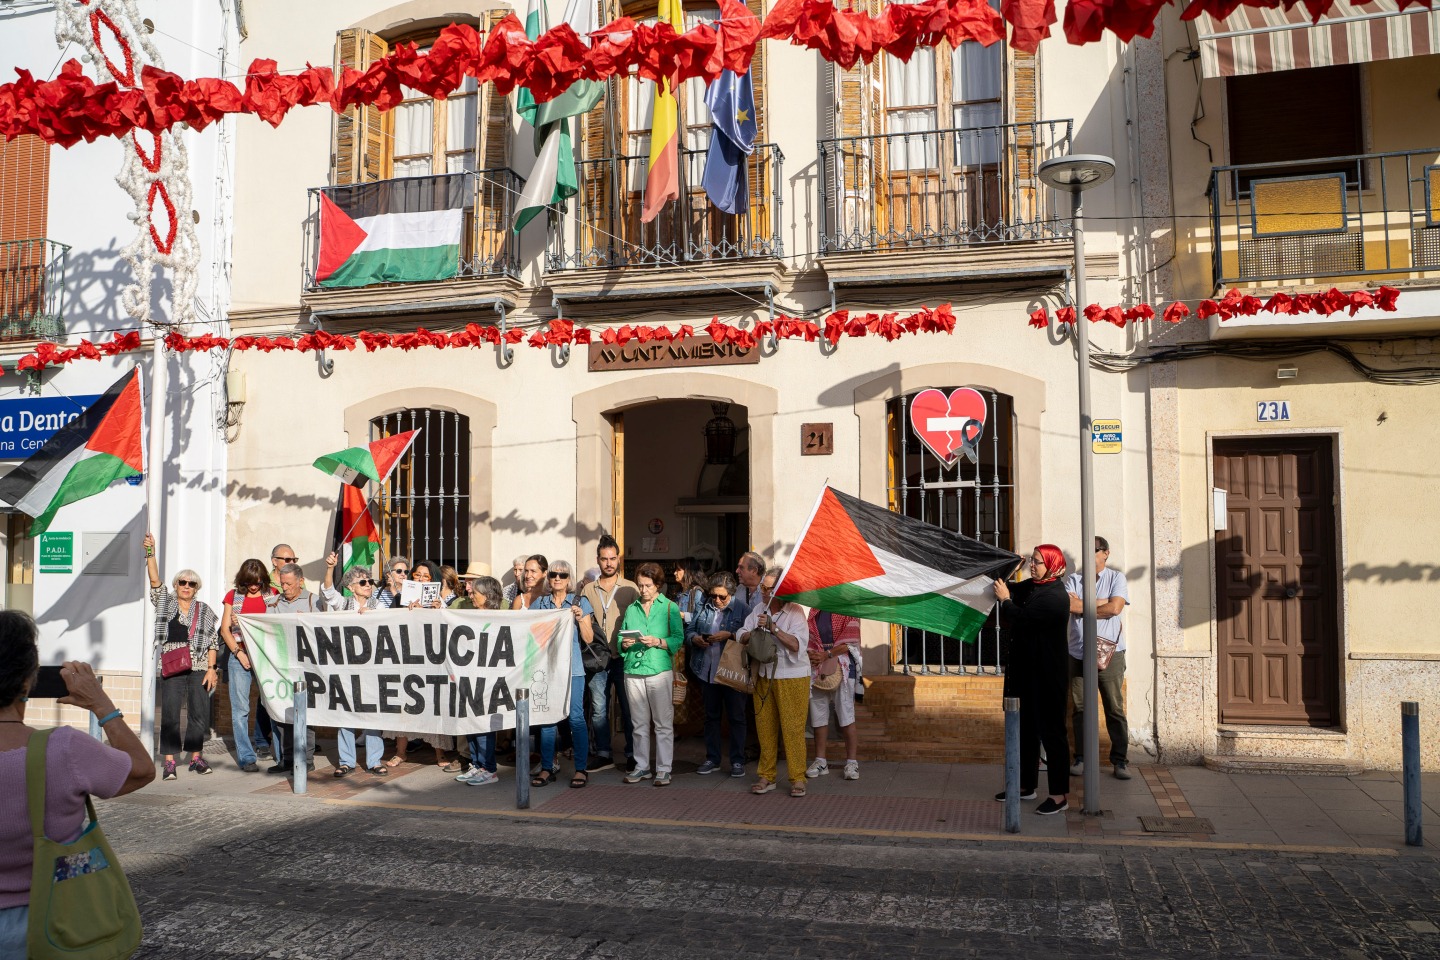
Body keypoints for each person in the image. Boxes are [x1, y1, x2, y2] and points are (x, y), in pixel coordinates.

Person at [0, 612, 156, 954]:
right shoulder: (64, 749)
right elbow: (142, 770)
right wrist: (101, 704)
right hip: (58, 922)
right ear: (27, 681)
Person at [992, 544, 1072, 814]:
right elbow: (1011, 588)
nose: (1033, 566)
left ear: (1052, 564)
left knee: (1052, 735)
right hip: (1028, 675)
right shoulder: (1036, 587)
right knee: (1025, 732)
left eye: (1038, 562)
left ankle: (1060, 796)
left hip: (1048, 678)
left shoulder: (1055, 597)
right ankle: (1026, 786)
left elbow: (1021, 617)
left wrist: (1005, 601)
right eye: (1032, 562)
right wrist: (1011, 570)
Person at [143, 533, 220, 781]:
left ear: (197, 588)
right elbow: (154, 580)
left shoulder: (204, 610)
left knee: (199, 714)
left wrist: (211, 669)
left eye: (191, 584)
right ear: (176, 585)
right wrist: (150, 553)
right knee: (171, 714)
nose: (186, 587)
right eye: (182, 582)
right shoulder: (166, 603)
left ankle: (195, 758)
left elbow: (212, 641)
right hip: (173, 667)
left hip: (198, 667)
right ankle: (169, 762)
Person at [740, 569, 811, 797]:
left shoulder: (796, 612)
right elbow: (740, 632)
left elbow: (797, 645)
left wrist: (773, 628)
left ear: (781, 590)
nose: (763, 592)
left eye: (769, 588)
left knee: (792, 729)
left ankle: (797, 778)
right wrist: (751, 633)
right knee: (765, 727)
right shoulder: (758, 609)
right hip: (764, 674)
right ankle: (766, 775)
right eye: (762, 587)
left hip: (792, 676)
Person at [1066, 536, 1132, 780]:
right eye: (1085, 550)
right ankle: (1081, 757)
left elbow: (1115, 608)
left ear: (1106, 553)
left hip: (1110, 653)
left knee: (1114, 707)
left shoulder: (1117, 578)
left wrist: (1084, 604)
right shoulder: (1074, 579)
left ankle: (1120, 761)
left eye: (1093, 551)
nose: (1089, 555)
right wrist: (1101, 603)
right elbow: (1069, 606)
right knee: (1080, 708)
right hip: (1078, 652)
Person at [319, 555, 387, 778]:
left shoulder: (379, 605)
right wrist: (330, 568)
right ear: (350, 587)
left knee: (373, 713)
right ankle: (347, 760)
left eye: (370, 582)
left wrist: (374, 616)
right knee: (345, 713)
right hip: (347, 668)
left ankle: (374, 760)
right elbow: (328, 592)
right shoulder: (344, 604)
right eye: (363, 582)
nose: (368, 585)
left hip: (372, 668)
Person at [530, 560, 595, 787]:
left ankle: (581, 769)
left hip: (573, 668)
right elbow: (530, 635)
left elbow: (588, 639)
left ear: (569, 580)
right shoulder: (540, 603)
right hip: (547, 669)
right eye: (554, 574)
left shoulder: (580, 602)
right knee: (547, 720)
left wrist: (579, 618)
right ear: (549, 578)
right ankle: (547, 767)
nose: (557, 578)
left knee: (576, 718)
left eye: (563, 575)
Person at [618, 562, 683, 786]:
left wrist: (659, 641)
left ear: (658, 585)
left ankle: (664, 769)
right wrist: (624, 644)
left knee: (663, 723)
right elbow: (620, 637)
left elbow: (678, 638)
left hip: (658, 669)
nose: (643, 590)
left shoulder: (669, 607)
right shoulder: (632, 608)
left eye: (647, 585)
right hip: (633, 670)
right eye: (640, 585)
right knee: (638, 723)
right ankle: (642, 766)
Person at [386, 560, 455, 768]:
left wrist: (436, 610)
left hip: (431, 659)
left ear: (433, 580)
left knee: (432, 704)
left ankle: (440, 753)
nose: (421, 579)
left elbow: (448, 629)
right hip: (406, 657)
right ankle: (401, 752)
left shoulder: (441, 602)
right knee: (404, 703)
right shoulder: (399, 598)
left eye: (426, 576)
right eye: (417, 575)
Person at [579, 535, 638, 772]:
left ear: (619, 559)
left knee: (628, 707)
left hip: (624, 657)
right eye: (604, 559)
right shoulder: (587, 589)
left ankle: (633, 753)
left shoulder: (631, 588)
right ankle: (603, 753)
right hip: (598, 657)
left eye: (613, 558)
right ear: (598, 560)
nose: (609, 563)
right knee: (599, 709)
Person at [264, 562, 324, 774]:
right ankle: (287, 759)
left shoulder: (313, 601)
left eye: (289, 584)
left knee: (304, 714)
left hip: (305, 667)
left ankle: (306, 759)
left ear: (300, 581)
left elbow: (322, 630)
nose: (285, 588)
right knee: (282, 713)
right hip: (279, 666)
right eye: (282, 584)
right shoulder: (272, 603)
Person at [686, 572, 748, 777]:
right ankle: (712, 758)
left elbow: (752, 638)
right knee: (711, 717)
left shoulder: (742, 609)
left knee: (736, 717)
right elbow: (690, 631)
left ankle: (737, 760)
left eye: (723, 597)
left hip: (731, 671)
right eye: (714, 596)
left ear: (731, 594)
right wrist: (695, 639)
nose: (717, 600)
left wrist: (730, 635)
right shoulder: (704, 606)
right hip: (707, 669)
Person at [219, 557, 274, 772]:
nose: (254, 586)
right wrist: (238, 653)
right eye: (250, 582)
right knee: (240, 709)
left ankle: (272, 748)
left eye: (258, 582)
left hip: (265, 656)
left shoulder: (272, 596)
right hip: (239, 655)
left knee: (269, 703)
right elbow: (225, 630)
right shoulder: (233, 596)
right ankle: (246, 757)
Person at [456, 576, 505, 787]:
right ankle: (476, 764)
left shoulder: (498, 618)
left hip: (489, 681)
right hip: (471, 678)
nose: (470, 595)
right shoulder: (472, 616)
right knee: (472, 722)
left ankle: (489, 769)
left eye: (474, 592)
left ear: (486, 595)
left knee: (485, 725)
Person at [805, 609, 861, 781]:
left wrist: (826, 654)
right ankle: (820, 761)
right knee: (818, 716)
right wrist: (813, 654)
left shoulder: (848, 609)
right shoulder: (815, 611)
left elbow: (851, 642)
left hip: (843, 667)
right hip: (818, 668)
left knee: (846, 716)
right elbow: (810, 638)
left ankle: (852, 762)